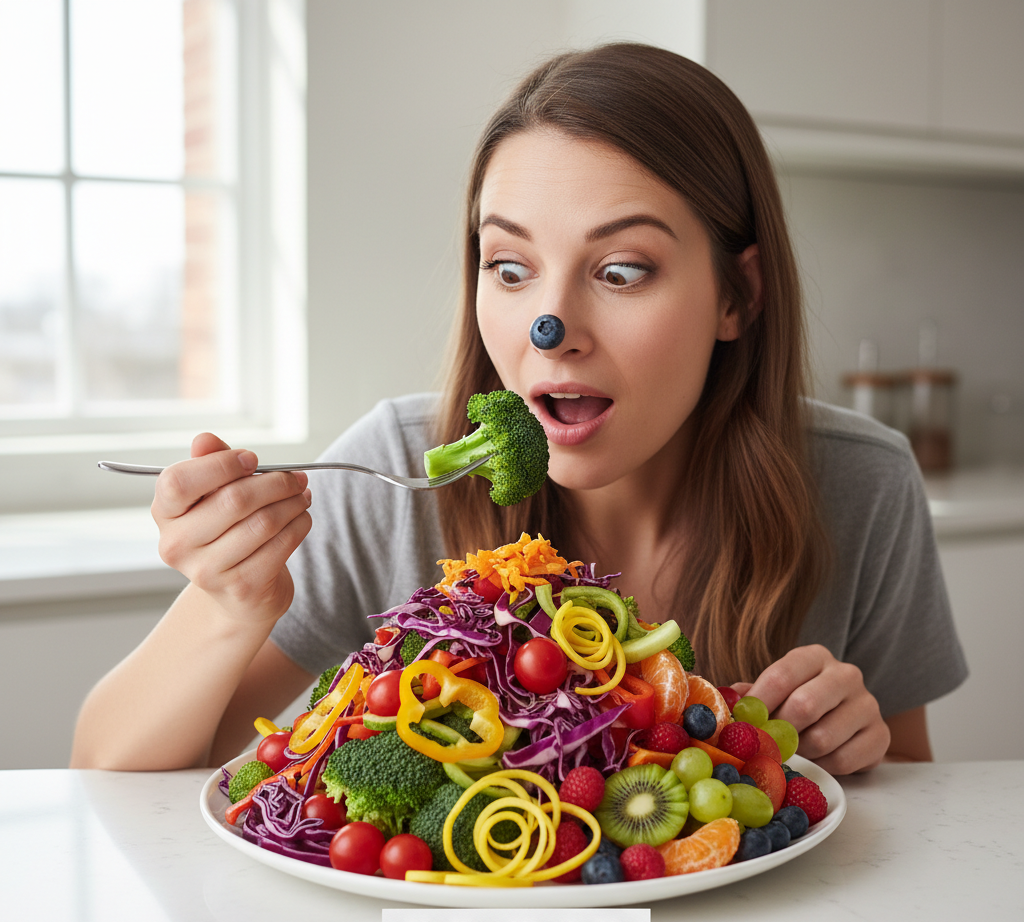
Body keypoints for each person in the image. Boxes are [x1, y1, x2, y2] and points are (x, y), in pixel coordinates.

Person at [71, 43, 965, 776]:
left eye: (621, 271)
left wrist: (858, 750)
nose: (551, 328)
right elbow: (106, 767)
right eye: (510, 268)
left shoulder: (863, 484)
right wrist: (228, 603)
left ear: (738, 295)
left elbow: (920, 805)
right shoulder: (396, 471)